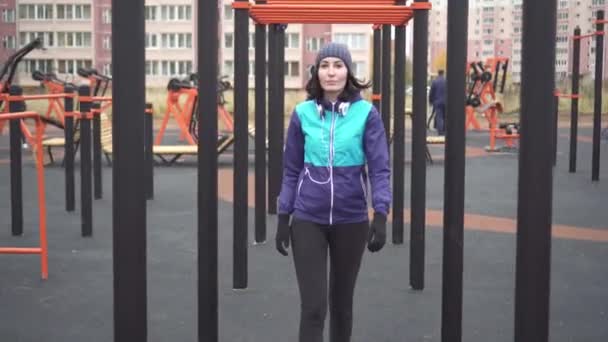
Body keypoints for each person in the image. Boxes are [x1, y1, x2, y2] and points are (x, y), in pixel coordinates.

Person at [275, 43, 391, 342]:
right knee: (313, 308)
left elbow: (379, 169)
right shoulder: (302, 114)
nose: (331, 72)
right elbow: (290, 170)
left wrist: (381, 213)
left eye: (338, 65)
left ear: (348, 71)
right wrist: (283, 215)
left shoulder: (367, 114)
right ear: (316, 72)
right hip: (308, 219)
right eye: (324, 65)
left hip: (350, 220)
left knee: (342, 307)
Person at [429, 69, 447, 135]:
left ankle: (440, 131)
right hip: (446, 101)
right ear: (443, 73)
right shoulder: (447, 81)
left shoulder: (435, 82)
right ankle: (445, 130)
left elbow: (431, 93)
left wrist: (430, 101)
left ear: (438, 73)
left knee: (439, 116)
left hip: (437, 102)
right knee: (445, 116)